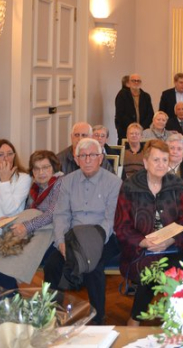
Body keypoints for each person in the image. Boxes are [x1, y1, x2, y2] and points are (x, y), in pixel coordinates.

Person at [114, 139, 183, 326]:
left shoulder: (177, 184)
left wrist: (168, 241)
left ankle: (181, 317)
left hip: (174, 246)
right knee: (153, 268)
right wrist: (144, 242)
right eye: (156, 160)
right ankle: (136, 318)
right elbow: (121, 225)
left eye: (165, 160)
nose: (161, 165)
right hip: (140, 249)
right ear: (145, 162)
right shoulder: (130, 187)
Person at [45, 138, 121, 325]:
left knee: (93, 265)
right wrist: (61, 241)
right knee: (51, 265)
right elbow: (61, 214)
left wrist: (92, 244)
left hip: (103, 236)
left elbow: (110, 219)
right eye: (83, 156)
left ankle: (97, 319)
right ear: (76, 159)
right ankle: (52, 316)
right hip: (73, 236)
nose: (88, 160)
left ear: (101, 158)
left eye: (92, 155)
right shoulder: (67, 182)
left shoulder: (114, 182)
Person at [0, 150, 63, 298]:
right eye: (36, 168)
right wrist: (10, 220)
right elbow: (26, 211)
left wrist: (25, 226)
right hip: (34, 231)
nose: (41, 172)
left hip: (51, 233)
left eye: (46, 167)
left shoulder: (60, 183)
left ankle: (5, 301)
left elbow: (52, 214)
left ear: (54, 168)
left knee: (5, 261)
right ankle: (10, 299)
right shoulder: (35, 187)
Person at [115, 73, 154, 141]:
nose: (136, 82)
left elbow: (150, 114)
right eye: (133, 80)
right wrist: (133, 127)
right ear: (129, 82)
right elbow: (120, 114)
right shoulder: (122, 95)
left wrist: (141, 127)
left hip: (143, 131)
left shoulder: (146, 96)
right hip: (125, 130)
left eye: (138, 81)